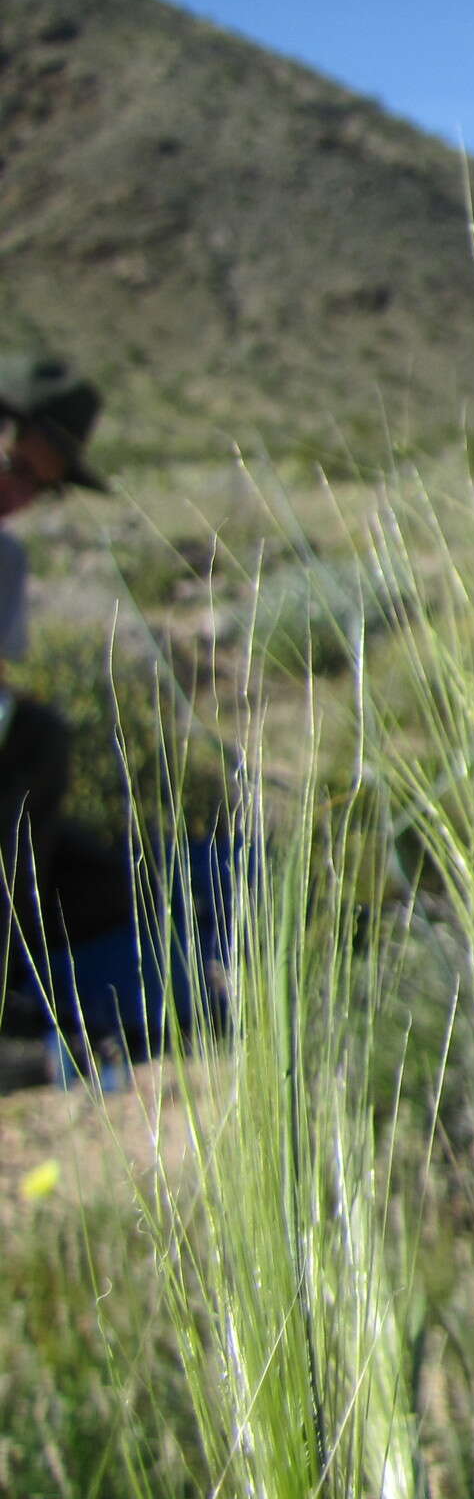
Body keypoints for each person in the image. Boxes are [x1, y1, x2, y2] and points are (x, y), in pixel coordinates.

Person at [0, 355, 136, 1063]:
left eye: (39, 487)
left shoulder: (6, 560)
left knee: (100, 888)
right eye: (19, 468)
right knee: (37, 740)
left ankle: (23, 975)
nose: (19, 496)